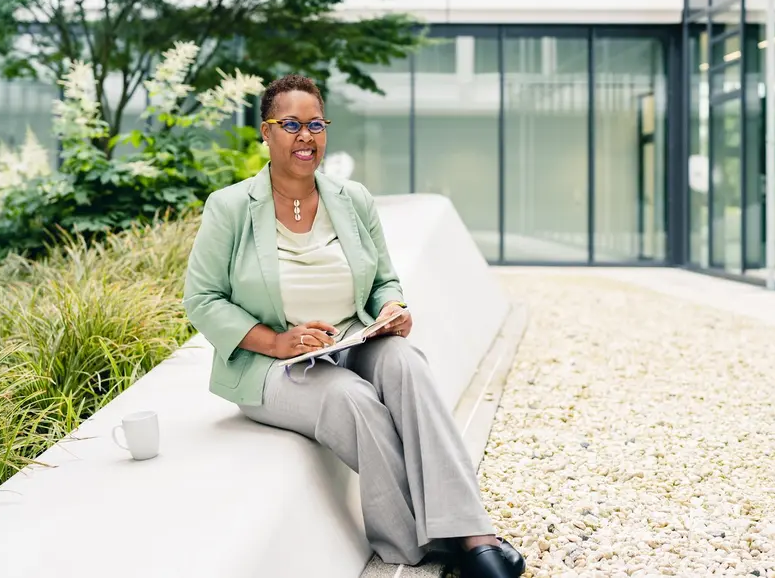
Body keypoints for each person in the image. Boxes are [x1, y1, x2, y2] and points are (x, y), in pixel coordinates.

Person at [183, 74, 524, 578]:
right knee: (352, 398)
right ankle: (421, 542)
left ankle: (471, 529)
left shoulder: (353, 199)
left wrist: (393, 309)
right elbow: (202, 298)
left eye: (315, 123)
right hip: (270, 364)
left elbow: (385, 280)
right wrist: (276, 341)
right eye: (291, 124)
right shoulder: (231, 207)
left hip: (350, 338)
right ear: (265, 131)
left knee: (406, 362)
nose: (306, 136)